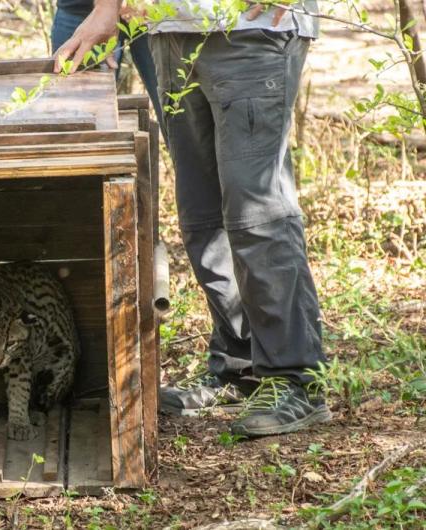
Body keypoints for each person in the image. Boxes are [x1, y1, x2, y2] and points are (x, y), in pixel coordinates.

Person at [55, 0, 330, 437]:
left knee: (256, 211)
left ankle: (296, 378)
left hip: (251, 29)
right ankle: (237, 364)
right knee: (202, 214)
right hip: (168, 29)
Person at [52, 0, 161, 117]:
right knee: (71, 116)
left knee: (174, 110)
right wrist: (107, 6)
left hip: (150, 11)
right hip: (80, 12)